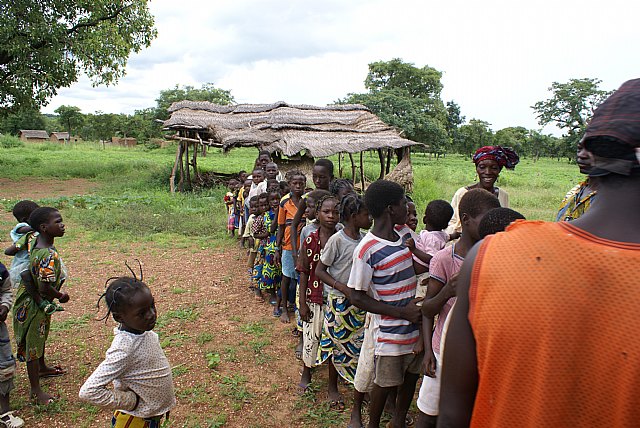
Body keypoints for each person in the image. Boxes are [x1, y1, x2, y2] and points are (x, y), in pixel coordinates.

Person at [438, 78, 640, 427]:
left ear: (588, 157)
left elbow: (454, 413)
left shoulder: (491, 257)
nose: (488, 173)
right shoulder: (476, 229)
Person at [414, 189, 499, 428]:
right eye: (486, 220)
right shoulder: (444, 259)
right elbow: (428, 309)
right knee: (429, 413)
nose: (490, 226)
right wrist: (448, 291)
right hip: (443, 351)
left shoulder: (492, 257)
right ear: (465, 220)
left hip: (478, 350)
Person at [348, 179, 423, 428]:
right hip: (390, 332)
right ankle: (374, 424)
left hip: (414, 327)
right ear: (391, 209)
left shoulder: (403, 236)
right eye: (404, 203)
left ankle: (399, 419)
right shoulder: (367, 250)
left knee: (411, 375)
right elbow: (356, 295)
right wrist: (401, 312)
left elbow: (410, 267)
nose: (407, 208)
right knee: (385, 381)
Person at [79, 274, 175, 427]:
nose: (151, 314)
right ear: (119, 317)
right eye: (141, 313)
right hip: (135, 422)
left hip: (149, 418)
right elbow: (88, 391)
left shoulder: (143, 331)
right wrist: (130, 401)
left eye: (152, 305)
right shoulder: (124, 348)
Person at [315, 193, 372, 428]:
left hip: (359, 303)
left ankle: (358, 385)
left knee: (358, 346)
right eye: (366, 214)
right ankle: (332, 387)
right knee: (335, 344)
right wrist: (342, 288)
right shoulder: (337, 241)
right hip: (340, 302)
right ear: (353, 216)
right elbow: (320, 270)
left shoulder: (366, 239)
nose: (370, 218)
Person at [12, 207, 70, 405]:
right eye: (58, 222)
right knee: (33, 345)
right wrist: (61, 295)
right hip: (34, 304)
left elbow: (28, 274)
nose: (62, 225)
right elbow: (45, 287)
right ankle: (36, 391)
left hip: (30, 299)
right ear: (44, 228)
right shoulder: (48, 255)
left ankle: (43, 368)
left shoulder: (36, 244)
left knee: (39, 335)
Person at [296, 193, 340, 394]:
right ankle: (307, 372)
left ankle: (333, 385)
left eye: (336, 212)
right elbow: (304, 270)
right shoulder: (311, 239)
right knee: (311, 337)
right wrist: (303, 302)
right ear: (318, 214)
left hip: (337, 299)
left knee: (333, 341)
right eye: (326, 212)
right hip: (314, 297)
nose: (331, 216)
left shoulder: (342, 239)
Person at [445, 146, 519, 237]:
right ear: (477, 169)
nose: (488, 172)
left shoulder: (502, 195)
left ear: (499, 170)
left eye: (494, 168)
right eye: (482, 167)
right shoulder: (463, 193)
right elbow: (452, 223)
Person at [274, 170, 306, 323]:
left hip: (305, 247)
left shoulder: (308, 201)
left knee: (302, 278)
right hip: (288, 246)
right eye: (295, 183)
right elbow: (280, 226)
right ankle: (284, 309)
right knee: (286, 278)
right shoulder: (284, 203)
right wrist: (277, 248)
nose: (298, 186)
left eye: (301, 183)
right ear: (289, 185)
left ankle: (300, 306)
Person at [405, 199, 454, 299]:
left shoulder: (431, 238)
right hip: (423, 275)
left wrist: (414, 250)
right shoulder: (440, 234)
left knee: (421, 298)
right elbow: (448, 236)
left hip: (425, 276)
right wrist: (455, 235)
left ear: (425, 219)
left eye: (415, 214)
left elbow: (433, 259)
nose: (413, 218)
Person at [290, 159, 334, 266]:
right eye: (314, 177)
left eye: (322, 177)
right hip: (309, 251)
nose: (317, 181)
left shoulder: (334, 201)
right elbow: (294, 226)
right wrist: (295, 254)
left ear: (331, 178)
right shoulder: (307, 199)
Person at [0, 265, 24, 428]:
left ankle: (4, 412)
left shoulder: (0, 271)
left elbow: (6, 291)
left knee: (4, 368)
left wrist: (4, 306)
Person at [555, 139, 598, 221]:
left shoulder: (614, 198)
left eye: (592, 150)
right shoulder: (577, 190)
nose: (581, 155)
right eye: (579, 148)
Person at [4, 200, 39, 289]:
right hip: (24, 262)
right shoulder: (21, 227)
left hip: (34, 259)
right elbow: (25, 229)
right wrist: (40, 225)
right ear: (25, 219)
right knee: (27, 281)